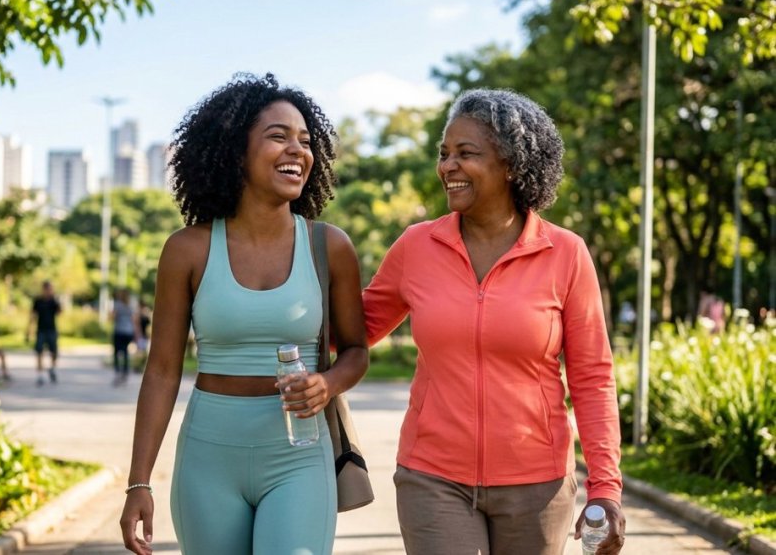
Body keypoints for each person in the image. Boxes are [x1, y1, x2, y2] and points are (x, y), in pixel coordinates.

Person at [362, 89, 626, 555]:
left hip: (537, 484)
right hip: (433, 477)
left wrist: (605, 486)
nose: (447, 166)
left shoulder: (565, 253)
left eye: (466, 154)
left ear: (511, 165)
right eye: (444, 154)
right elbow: (355, 329)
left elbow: (592, 377)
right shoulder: (416, 247)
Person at [119, 73, 368, 555]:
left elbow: (356, 351)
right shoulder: (187, 250)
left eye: (305, 141)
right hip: (208, 457)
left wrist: (328, 383)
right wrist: (138, 483)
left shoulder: (328, 246)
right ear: (236, 152)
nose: (297, 150)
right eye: (278, 136)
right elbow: (163, 370)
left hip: (298, 454)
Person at [26, 280, 61, 386]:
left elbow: (59, 313)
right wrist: (28, 330)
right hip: (41, 330)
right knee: (39, 352)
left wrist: (56, 300)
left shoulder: (54, 301)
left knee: (54, 352)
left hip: (52, 329)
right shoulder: (38, 301)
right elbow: (33, 315)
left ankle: (52, 369)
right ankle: (40, 375)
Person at [111, 288, 141, 386]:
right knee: (125, 353)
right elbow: (134, 321)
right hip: (128, 331)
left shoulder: (117, 305)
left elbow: (113, 317)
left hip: (119, 331)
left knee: (116, 353)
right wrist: (137, 334)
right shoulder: (131, 306)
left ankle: (118, 373)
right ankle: (125, 373)